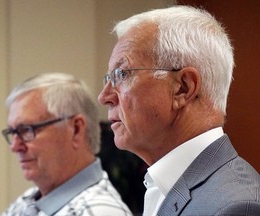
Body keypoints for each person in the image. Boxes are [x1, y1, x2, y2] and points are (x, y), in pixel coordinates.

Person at [98, 5, 260, 216]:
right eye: (109, 77)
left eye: (122, 74)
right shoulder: (163, 184)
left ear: (183, 88)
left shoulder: (235, 207)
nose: (104, 97)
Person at [1, 73, 132, 216]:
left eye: (26, 130)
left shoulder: (98, 212)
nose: (14, 146)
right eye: (13, 132)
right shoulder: (29, 200)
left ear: (76, 129)